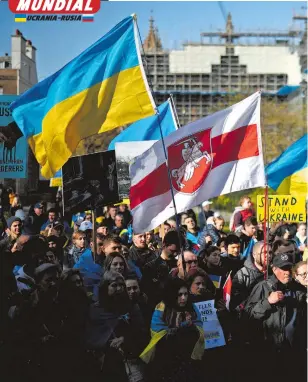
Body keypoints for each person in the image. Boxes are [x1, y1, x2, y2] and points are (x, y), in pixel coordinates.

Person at [245, 252, 307, 380]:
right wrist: (267, 302)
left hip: (294, 353)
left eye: (289, 268)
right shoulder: (262, 287)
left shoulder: (299, 289)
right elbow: (247, 315)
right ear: (274, 269)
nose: (287, 272)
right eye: (283, 269)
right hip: (269, 352)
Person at [85, 271, 148, 382]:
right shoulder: (95, 310)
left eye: (121, 285)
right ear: (105, 287)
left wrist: (124, 339)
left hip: (130, 360)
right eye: (114, 285)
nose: (119, 289)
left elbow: (141, 331)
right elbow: (90, 336)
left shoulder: (131, 307)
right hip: (105, 364)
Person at [140, 277, 204, 382]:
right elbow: (157, 332)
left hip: (188, 358)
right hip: (165, 359)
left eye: (186, 294)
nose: (183, 298)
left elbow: (199, 328)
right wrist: (182, 326)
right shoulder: (162, 307)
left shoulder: (191, 307)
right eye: (179, 295)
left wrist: (191, 328)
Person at [142, 230, 183, 307]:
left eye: (177, 251)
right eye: (172, 250)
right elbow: (148, 292)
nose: (175, 254)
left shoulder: (179, 265)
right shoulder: (150, 266)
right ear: (164, 245)